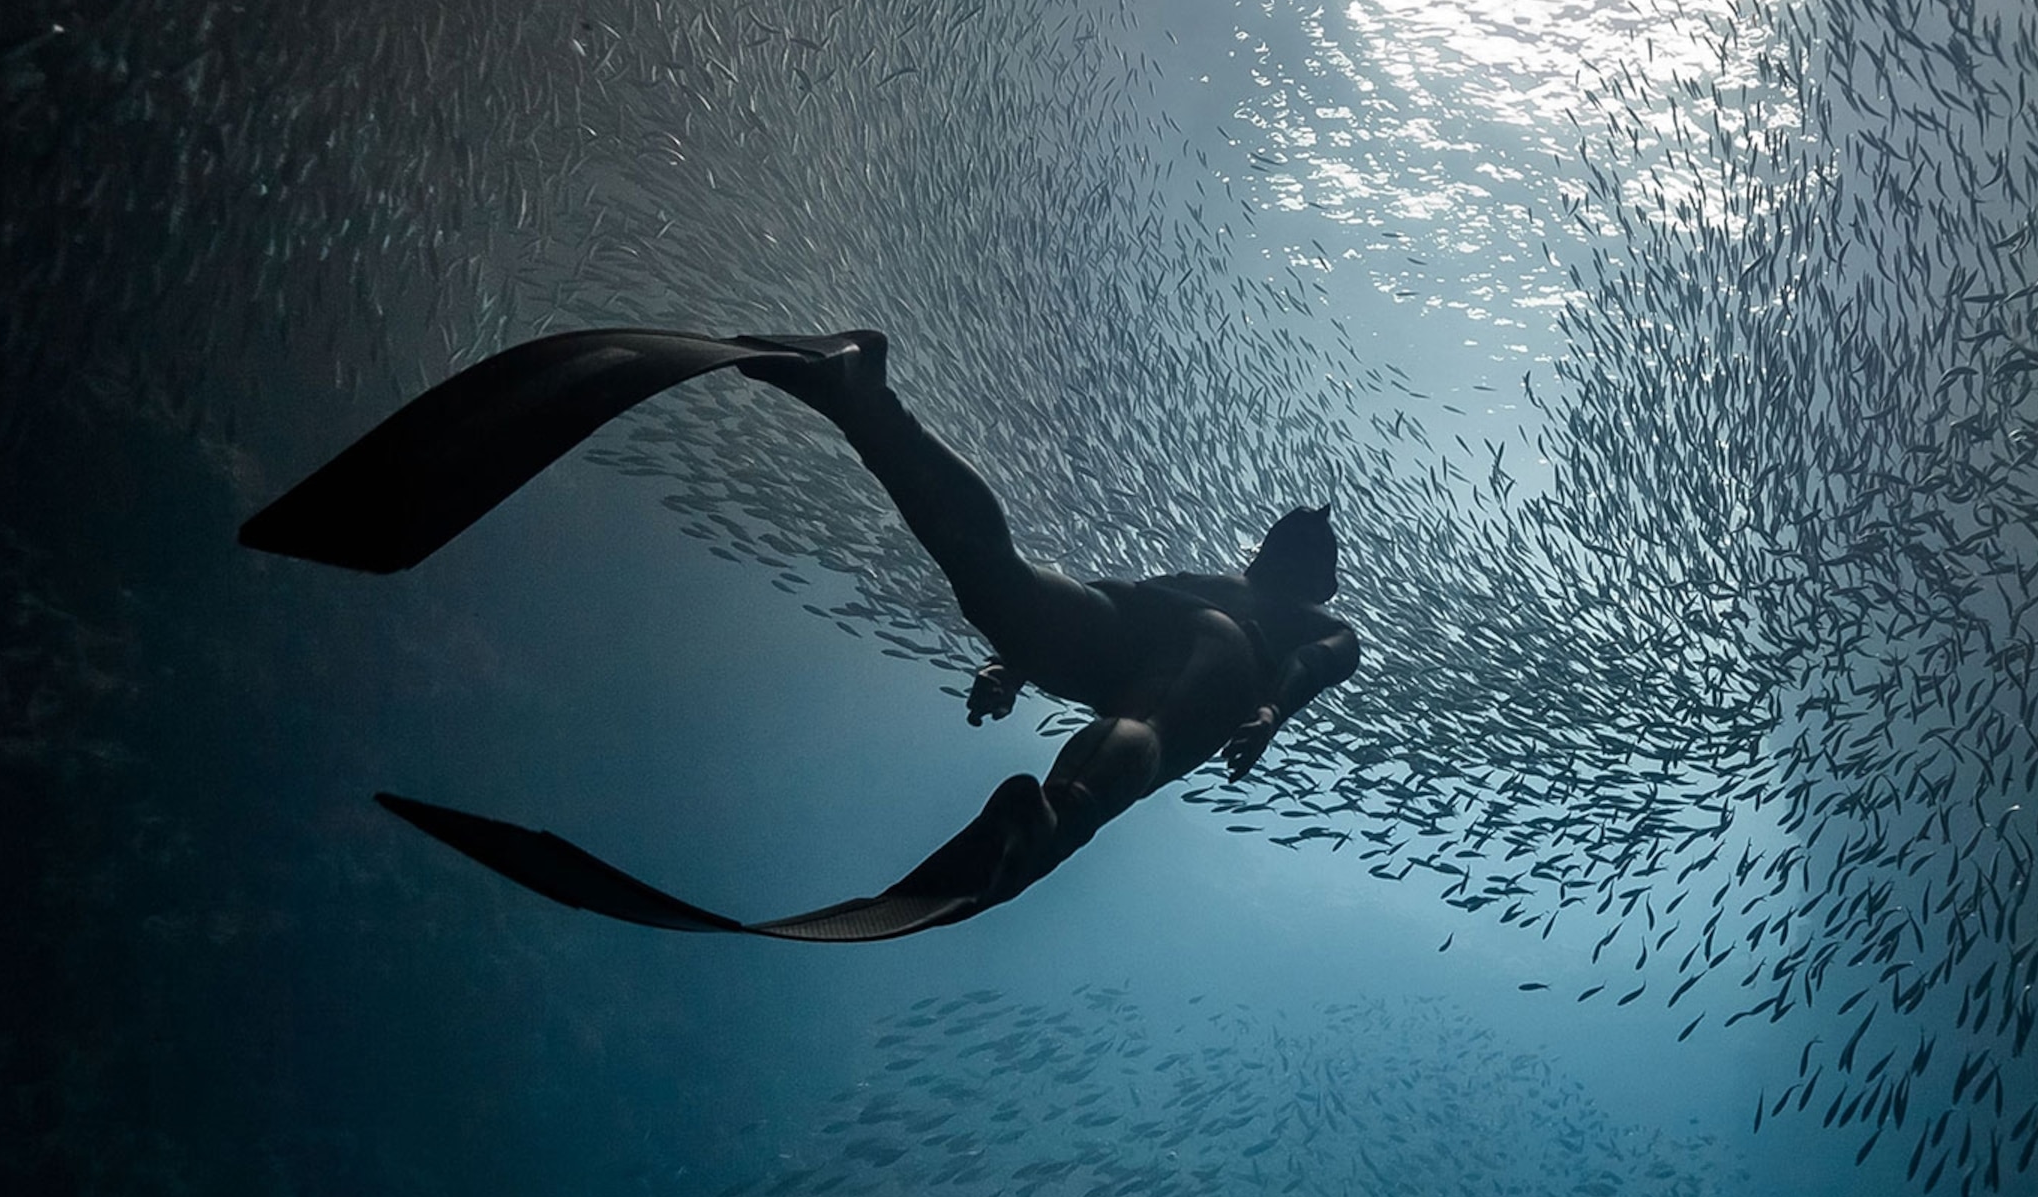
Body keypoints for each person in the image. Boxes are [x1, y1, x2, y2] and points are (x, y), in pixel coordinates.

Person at [240, 326, 1360, 941]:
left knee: (1004, 583)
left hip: (1146, 623)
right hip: (1192, 649)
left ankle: (862, 398)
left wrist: (1021, 655)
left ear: (1282, 559)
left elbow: (1149, 617)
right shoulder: (1297, 612)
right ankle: (1059, 813)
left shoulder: (1249, 588)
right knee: (1133, 712)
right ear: (1299, 566)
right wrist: (1264, 702)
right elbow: (1296, 657)